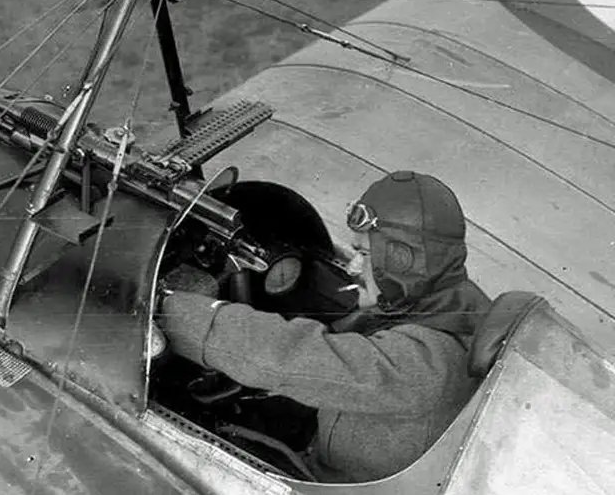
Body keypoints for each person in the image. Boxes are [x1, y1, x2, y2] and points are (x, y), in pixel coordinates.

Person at [158, 171, 493, 483]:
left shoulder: (421, 365)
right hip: (354, 435)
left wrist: (173, 312)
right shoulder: (459, 302)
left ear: (403, 263)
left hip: (339, 478)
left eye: (364, 253)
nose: (353, 265)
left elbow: (289, 357)